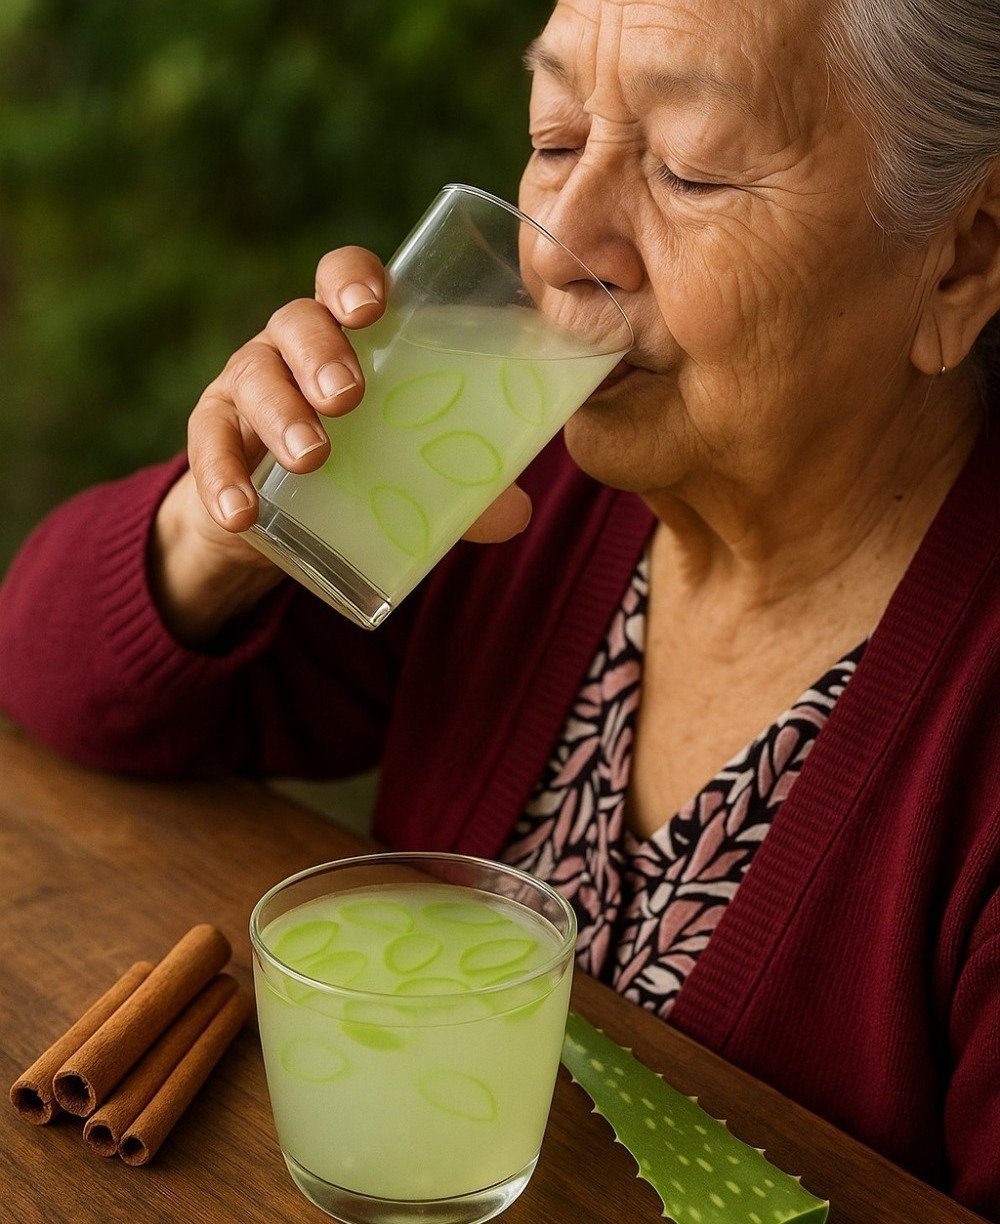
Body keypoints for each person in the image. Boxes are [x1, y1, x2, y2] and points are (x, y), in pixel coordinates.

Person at [2, 0, 999, 1215]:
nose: (562, 238)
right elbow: (52, 679)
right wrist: (229, 527)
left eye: (689, 170)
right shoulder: (507, 485)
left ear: (963, 255)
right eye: (559, 133)